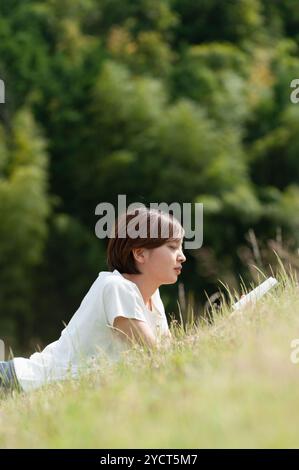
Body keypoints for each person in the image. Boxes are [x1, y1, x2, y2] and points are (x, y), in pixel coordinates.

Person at [0, 207, 186, 394]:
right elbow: (157, 354)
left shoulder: (152, 296)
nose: (182, 256)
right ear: (139, 254)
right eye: (172, 247)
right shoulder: (115, 287)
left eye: (181, 247)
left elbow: (168, 355)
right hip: (18, 382)